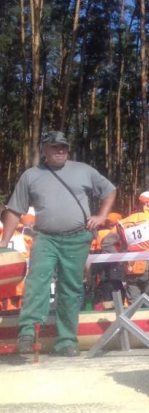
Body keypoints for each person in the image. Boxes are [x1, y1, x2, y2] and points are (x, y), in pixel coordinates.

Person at [0, 130, 116, 356]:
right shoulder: (31, 175)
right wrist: (4, 242)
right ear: (43, 149)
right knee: (36, 282)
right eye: (55, 147)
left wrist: (102, 216)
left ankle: (66, 341)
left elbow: (109, 190)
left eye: (63, 146)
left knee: (70, 289)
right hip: (45, 238)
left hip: (77, 238)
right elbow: (15, 209)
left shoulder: (83, 170)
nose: (60, 150)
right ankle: (27, 333)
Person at [102, 191, 149, 304]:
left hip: (130, 266)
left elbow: (106, 243)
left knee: (133, 303)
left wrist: (121, 259)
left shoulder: (123, 222)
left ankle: (133, 321)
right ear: (148, 203)